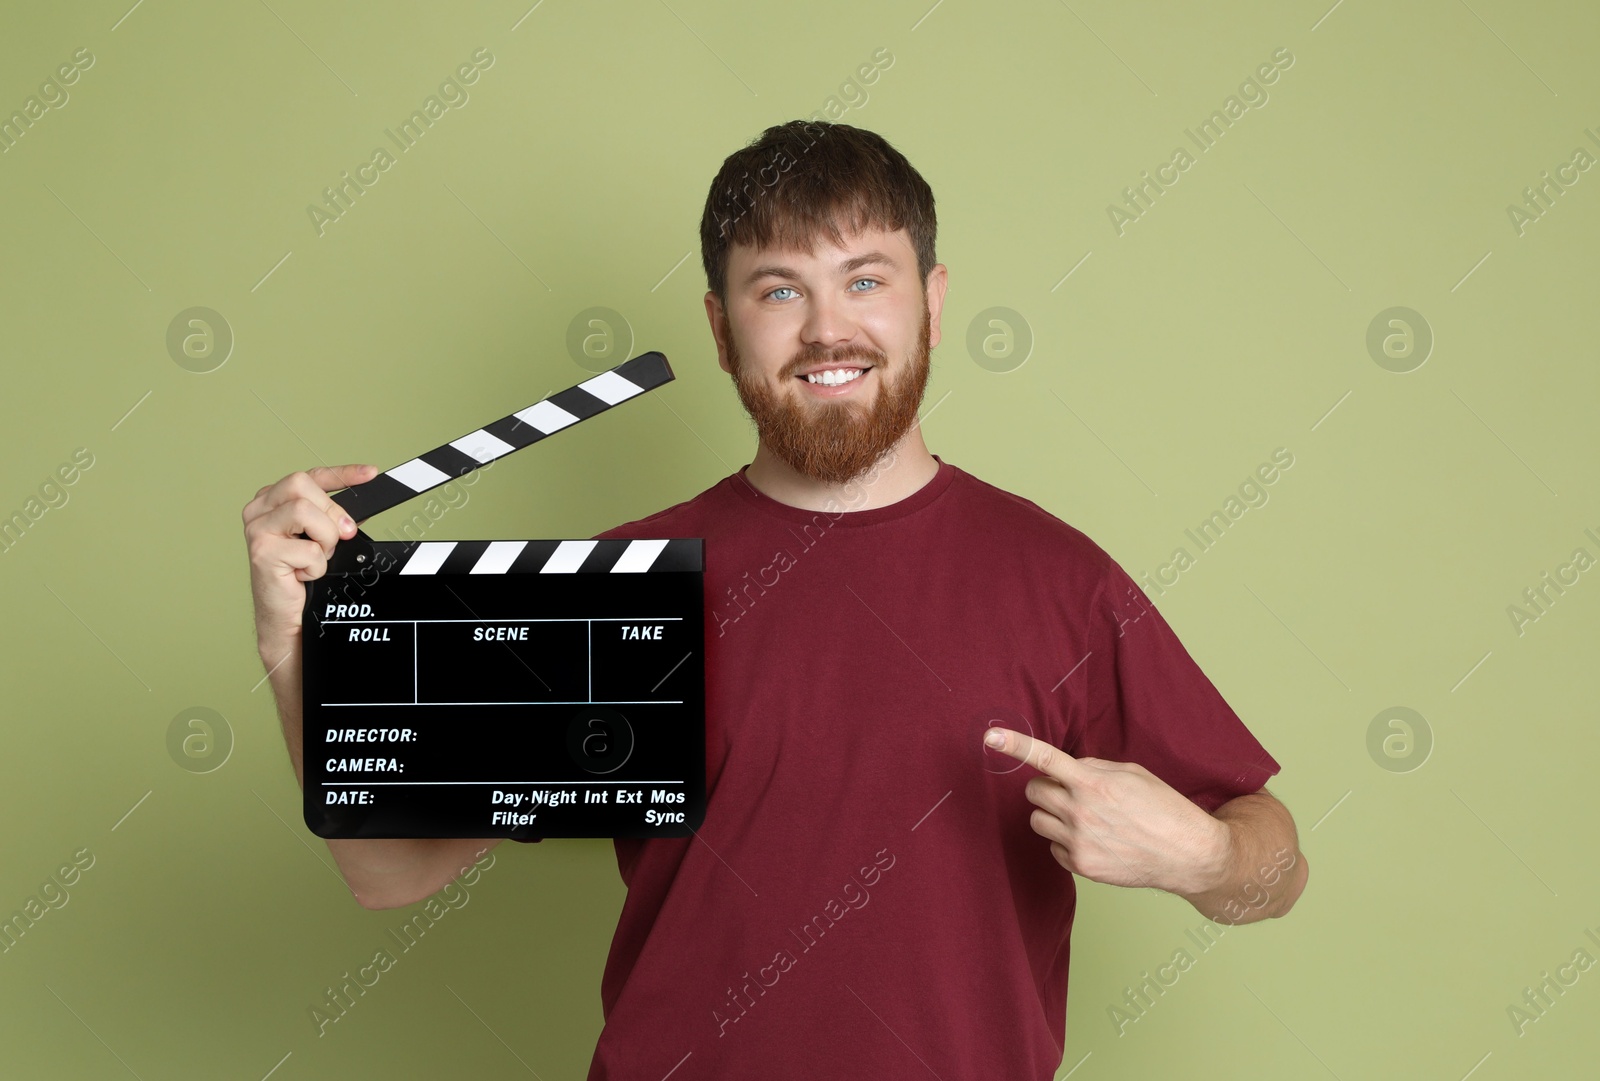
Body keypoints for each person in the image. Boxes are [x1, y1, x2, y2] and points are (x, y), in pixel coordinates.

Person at [243, 119, 1308, 1079]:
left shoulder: (1059, 579)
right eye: (779, 289)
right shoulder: (618, 588)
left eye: (865, 280)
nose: (825, 329)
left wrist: (1206, 857)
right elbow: (386, 869)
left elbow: (1274, 862)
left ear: (931, 303)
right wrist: (296, 652)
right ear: (720, 328)